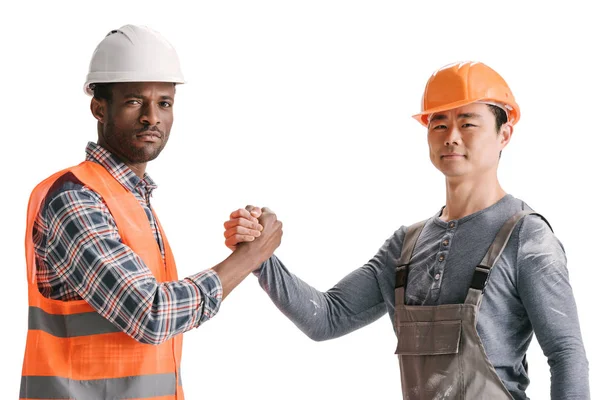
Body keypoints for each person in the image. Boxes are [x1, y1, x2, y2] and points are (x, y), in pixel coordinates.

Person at [224, 61, 590, 399]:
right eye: (439, 123)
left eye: (468, 122)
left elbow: (565, 354)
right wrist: (260, 256)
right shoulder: (407, 247)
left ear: (504, 134)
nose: (451, 136)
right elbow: (327, 317)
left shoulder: (526, 236)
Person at [19, 24, 282, 400]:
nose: (151, 117)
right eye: (133, 101)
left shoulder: (131, 198)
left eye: (164, 103)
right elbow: (151, 315)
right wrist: (249, 257)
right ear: (98, 107)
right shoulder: (74, 198)